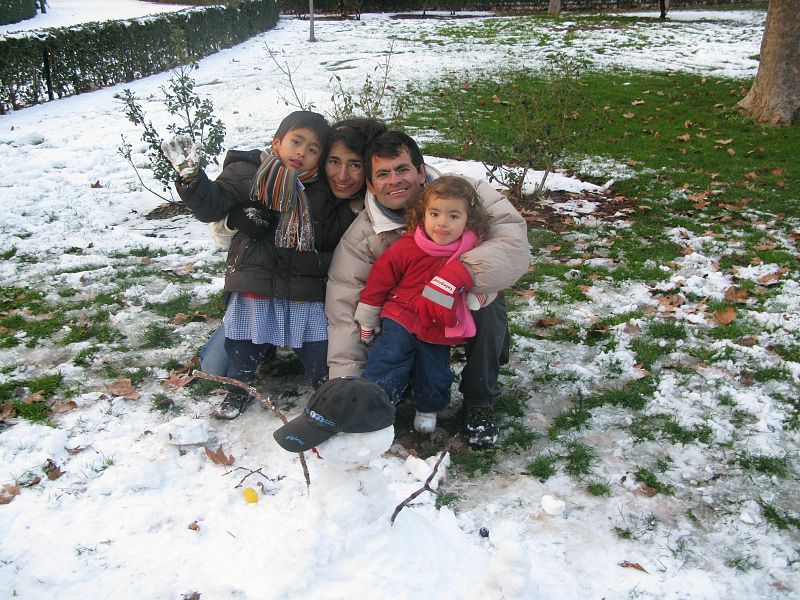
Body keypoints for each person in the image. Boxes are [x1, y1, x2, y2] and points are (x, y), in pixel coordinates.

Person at [325, 130, 530, 449]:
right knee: (392, 349)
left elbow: (512, 243)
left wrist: (462, 271)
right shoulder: (363, 238)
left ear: (421, 171)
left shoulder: (468, 193)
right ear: (370, 184)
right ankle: (384, 399)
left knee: (488, 306)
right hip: (404, 317)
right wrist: (345, 393)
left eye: (402, 169)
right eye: (382, 174)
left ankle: (479, 400)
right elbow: (343, 312)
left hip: (461, 305)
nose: (395, 181)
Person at [165, 111, 356, 419]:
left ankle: (324, 391)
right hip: (256, 283)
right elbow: (212, 204)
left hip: (302, 288)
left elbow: (332, 233)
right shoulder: (250, 172)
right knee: (238, 351)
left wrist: (354, 209)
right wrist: (191, 179)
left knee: (318, 350)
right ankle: (239, 388)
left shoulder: (322, 191)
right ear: (276, 143)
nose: (301, 153)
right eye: (296, 142)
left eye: (312, 149)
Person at [195, 118, 387, 380]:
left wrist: (296, 261)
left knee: (329, 366)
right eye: (334, 162)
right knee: (215, 368)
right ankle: (266, 341)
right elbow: (222, 226)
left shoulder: (371, 204)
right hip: (263, 291)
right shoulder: (274, 177)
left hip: (316, 300)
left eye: (355, 165)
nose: (342, 175)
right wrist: (233, 220)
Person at [355, 176, 491, 434]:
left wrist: (479, 296)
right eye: (435, 214)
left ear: (468, 220)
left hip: (438, 322)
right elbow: (380, 280)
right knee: (388, 357)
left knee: (434, 368)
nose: (442, 223)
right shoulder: (408, 246)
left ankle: (428, 406)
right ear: (423, 215)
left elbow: (486, 278)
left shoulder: (470, 253)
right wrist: (368, 314)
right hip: (401, 315)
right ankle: (378, 403)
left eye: (453, 216)